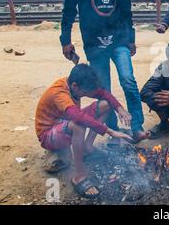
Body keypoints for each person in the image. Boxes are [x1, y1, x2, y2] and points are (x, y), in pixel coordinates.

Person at [60, 0, 146, 146]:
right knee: (104, 89)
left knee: (128, 80)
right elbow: (68, 10)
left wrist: (131, 38)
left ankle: (137, 126)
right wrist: (65, 40)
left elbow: (126, 10)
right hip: (94, 43)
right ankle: (114, 131)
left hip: (119, 40)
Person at [35, 64, 133, 198]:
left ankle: (87, 147)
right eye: (86, 92)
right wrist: (110, 131)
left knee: (106, 104)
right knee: (78, 125)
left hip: (65, 123)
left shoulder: (75, 83)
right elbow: (77, 117)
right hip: (49, 135)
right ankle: (79, 176)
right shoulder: (59, 93)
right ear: (75, 86)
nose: (89, 95)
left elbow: (103, 93)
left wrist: (119, 108)